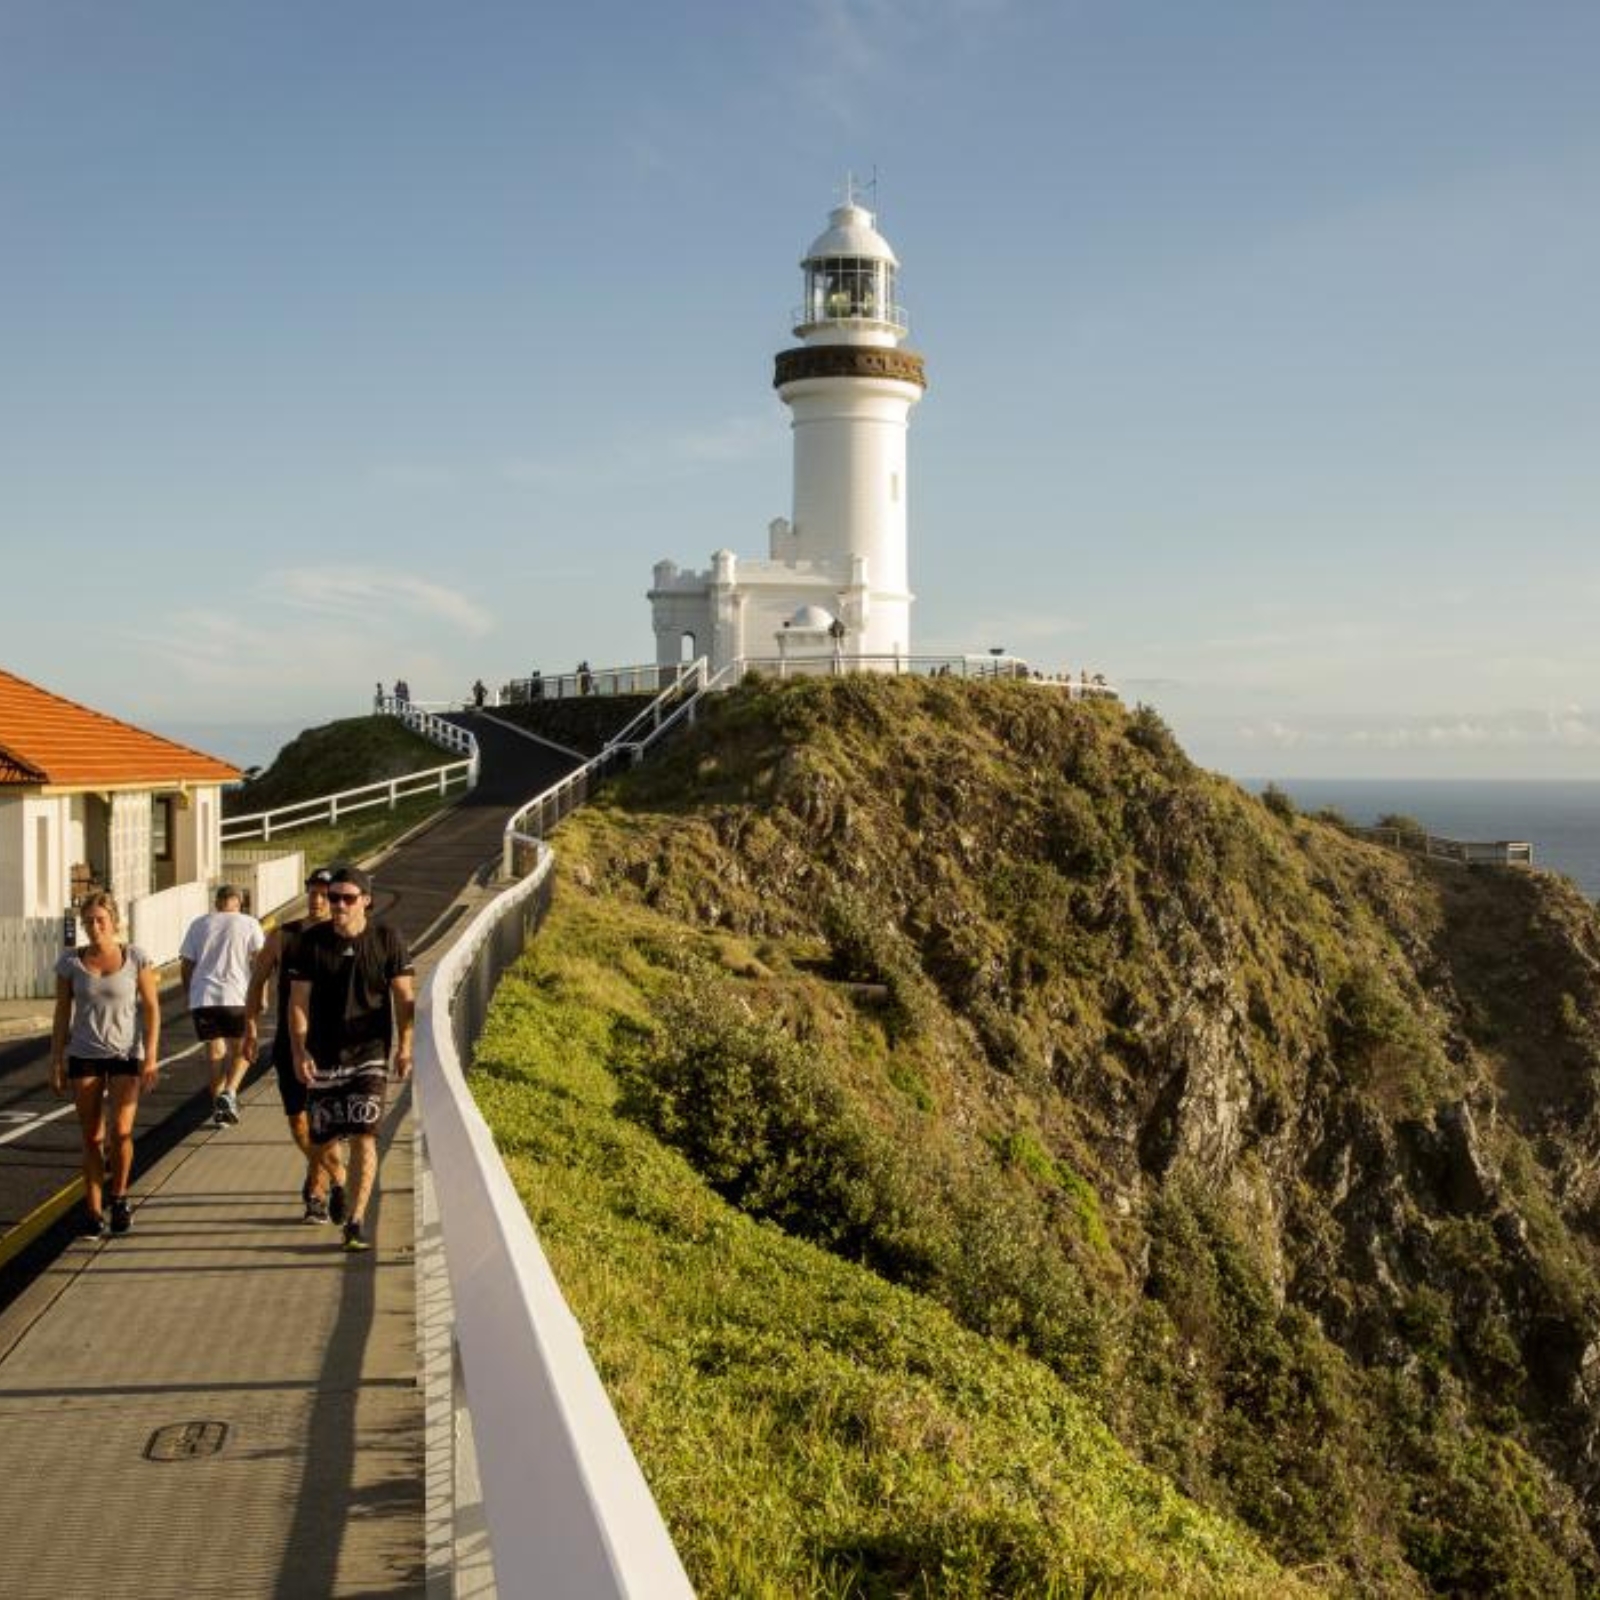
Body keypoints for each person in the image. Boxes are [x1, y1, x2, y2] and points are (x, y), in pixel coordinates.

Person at [287, 864, 415, 1253]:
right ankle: (339, 1182)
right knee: (321, 1137)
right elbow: (298, 1002)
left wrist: (405, 1045)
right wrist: (298, 1050)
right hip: (323, 1054)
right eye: (332, 897)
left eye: (347, 898)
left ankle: (357, 1221)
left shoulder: (387, 938)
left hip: (369, 1053)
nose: (337, 904)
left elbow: (404, 997)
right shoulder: (311, 943)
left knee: (364, 1133)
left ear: (366, 901)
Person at [48, 892, 160, 1237]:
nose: (94, 927)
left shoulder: (134, 956)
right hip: (84, 1055)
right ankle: (94, 1213)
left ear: (114, 922)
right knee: (92, 1138)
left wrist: (151, 1058)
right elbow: (62, 1013)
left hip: (125, 1054)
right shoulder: (70, 963)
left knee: (122, 1132)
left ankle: (120, 1196)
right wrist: (57, 1060)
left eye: (100, 920)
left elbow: (153, 1009)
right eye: (88, 921)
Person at [243, 867, 348, 1223]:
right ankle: (333, 1177)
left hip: (330, 1047)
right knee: (299, 1125)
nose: (319, 900)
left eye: (326, 893)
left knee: (323, 1123)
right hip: (290, 1045)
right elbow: (256, 982)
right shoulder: (283, 937)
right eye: (314, 893)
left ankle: (318, 1192)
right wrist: (251, 1029)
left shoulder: (342, 937)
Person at [180, 885, 266, 1126]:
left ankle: (219, 1113)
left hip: (203, 998)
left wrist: (191, 994)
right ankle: (229, 1092)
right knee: (243, 1051)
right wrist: (263, 995)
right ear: (239, 902)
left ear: (217, 903)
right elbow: (261, 963)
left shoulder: (199, 924)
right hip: (237, 997)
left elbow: (186, 965)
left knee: (215, 1052)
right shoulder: (249, 923)